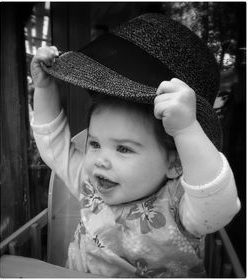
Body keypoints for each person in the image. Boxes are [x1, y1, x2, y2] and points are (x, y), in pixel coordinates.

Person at [30, 13, 240, 277]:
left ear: (174, 162)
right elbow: (54, 145)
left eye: (123, 149)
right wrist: (44, 87)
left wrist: (187, 130)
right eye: (94, 143)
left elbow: (219, 207)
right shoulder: (89, 184)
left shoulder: (180, 207)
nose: (100, 160)